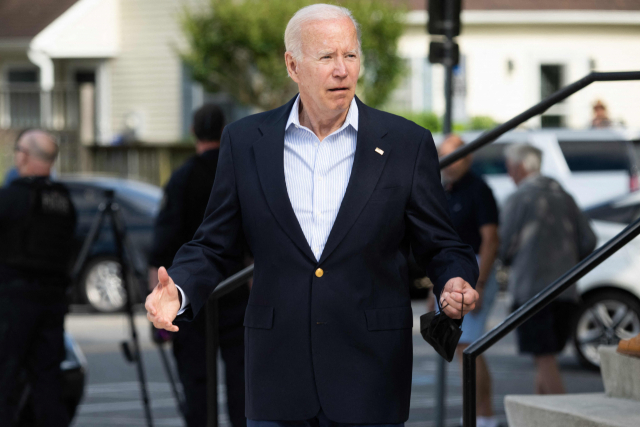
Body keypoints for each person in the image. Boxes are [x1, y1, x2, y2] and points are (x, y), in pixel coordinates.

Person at [146, 4, 479, 426]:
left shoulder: (405, 143)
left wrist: (454, 278)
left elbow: (443, 243)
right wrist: (178, 291)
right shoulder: (246, 141)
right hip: (276, 377)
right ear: (293, 65)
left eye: (351, 55)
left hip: (370, 376)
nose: (342, 70)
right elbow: (214, 242)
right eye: (326, 57)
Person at [148, 104, 249, 427]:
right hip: (238, 289)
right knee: (244, 387)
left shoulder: (182, 178)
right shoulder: (240, 172)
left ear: (193, 132)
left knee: (197, 388)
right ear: (224, 129)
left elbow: (162, 244)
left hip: (189, 293)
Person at [499, 144, 596, 395]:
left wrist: (510, 260)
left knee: (544, 359)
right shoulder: (565, 196)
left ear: (520, 167)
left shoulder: (519, 198)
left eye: (509, 167)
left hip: (532, 291)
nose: (509, 174)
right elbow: (589, 240)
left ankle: (560, 417)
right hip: (565, 290)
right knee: (545, 359)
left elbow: (502, 245)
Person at [0, 130, 77, 426]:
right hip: (52, 304)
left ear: (25, 155)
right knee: (47, 383)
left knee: (5, 382)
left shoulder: (11, 199)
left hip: (13, 302)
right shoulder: (63, 202)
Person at [438, 135, 500, 427]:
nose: (447, 163)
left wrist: (481, 282)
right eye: (443, 156)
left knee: (468, 347)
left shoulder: (479, 189)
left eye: (453, 156)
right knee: (460, 348)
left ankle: (483, 416)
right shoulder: (444, 189)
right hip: (450, 272)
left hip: (472, 271)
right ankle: (475, 415)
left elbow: (490, 239)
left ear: (468, 158)